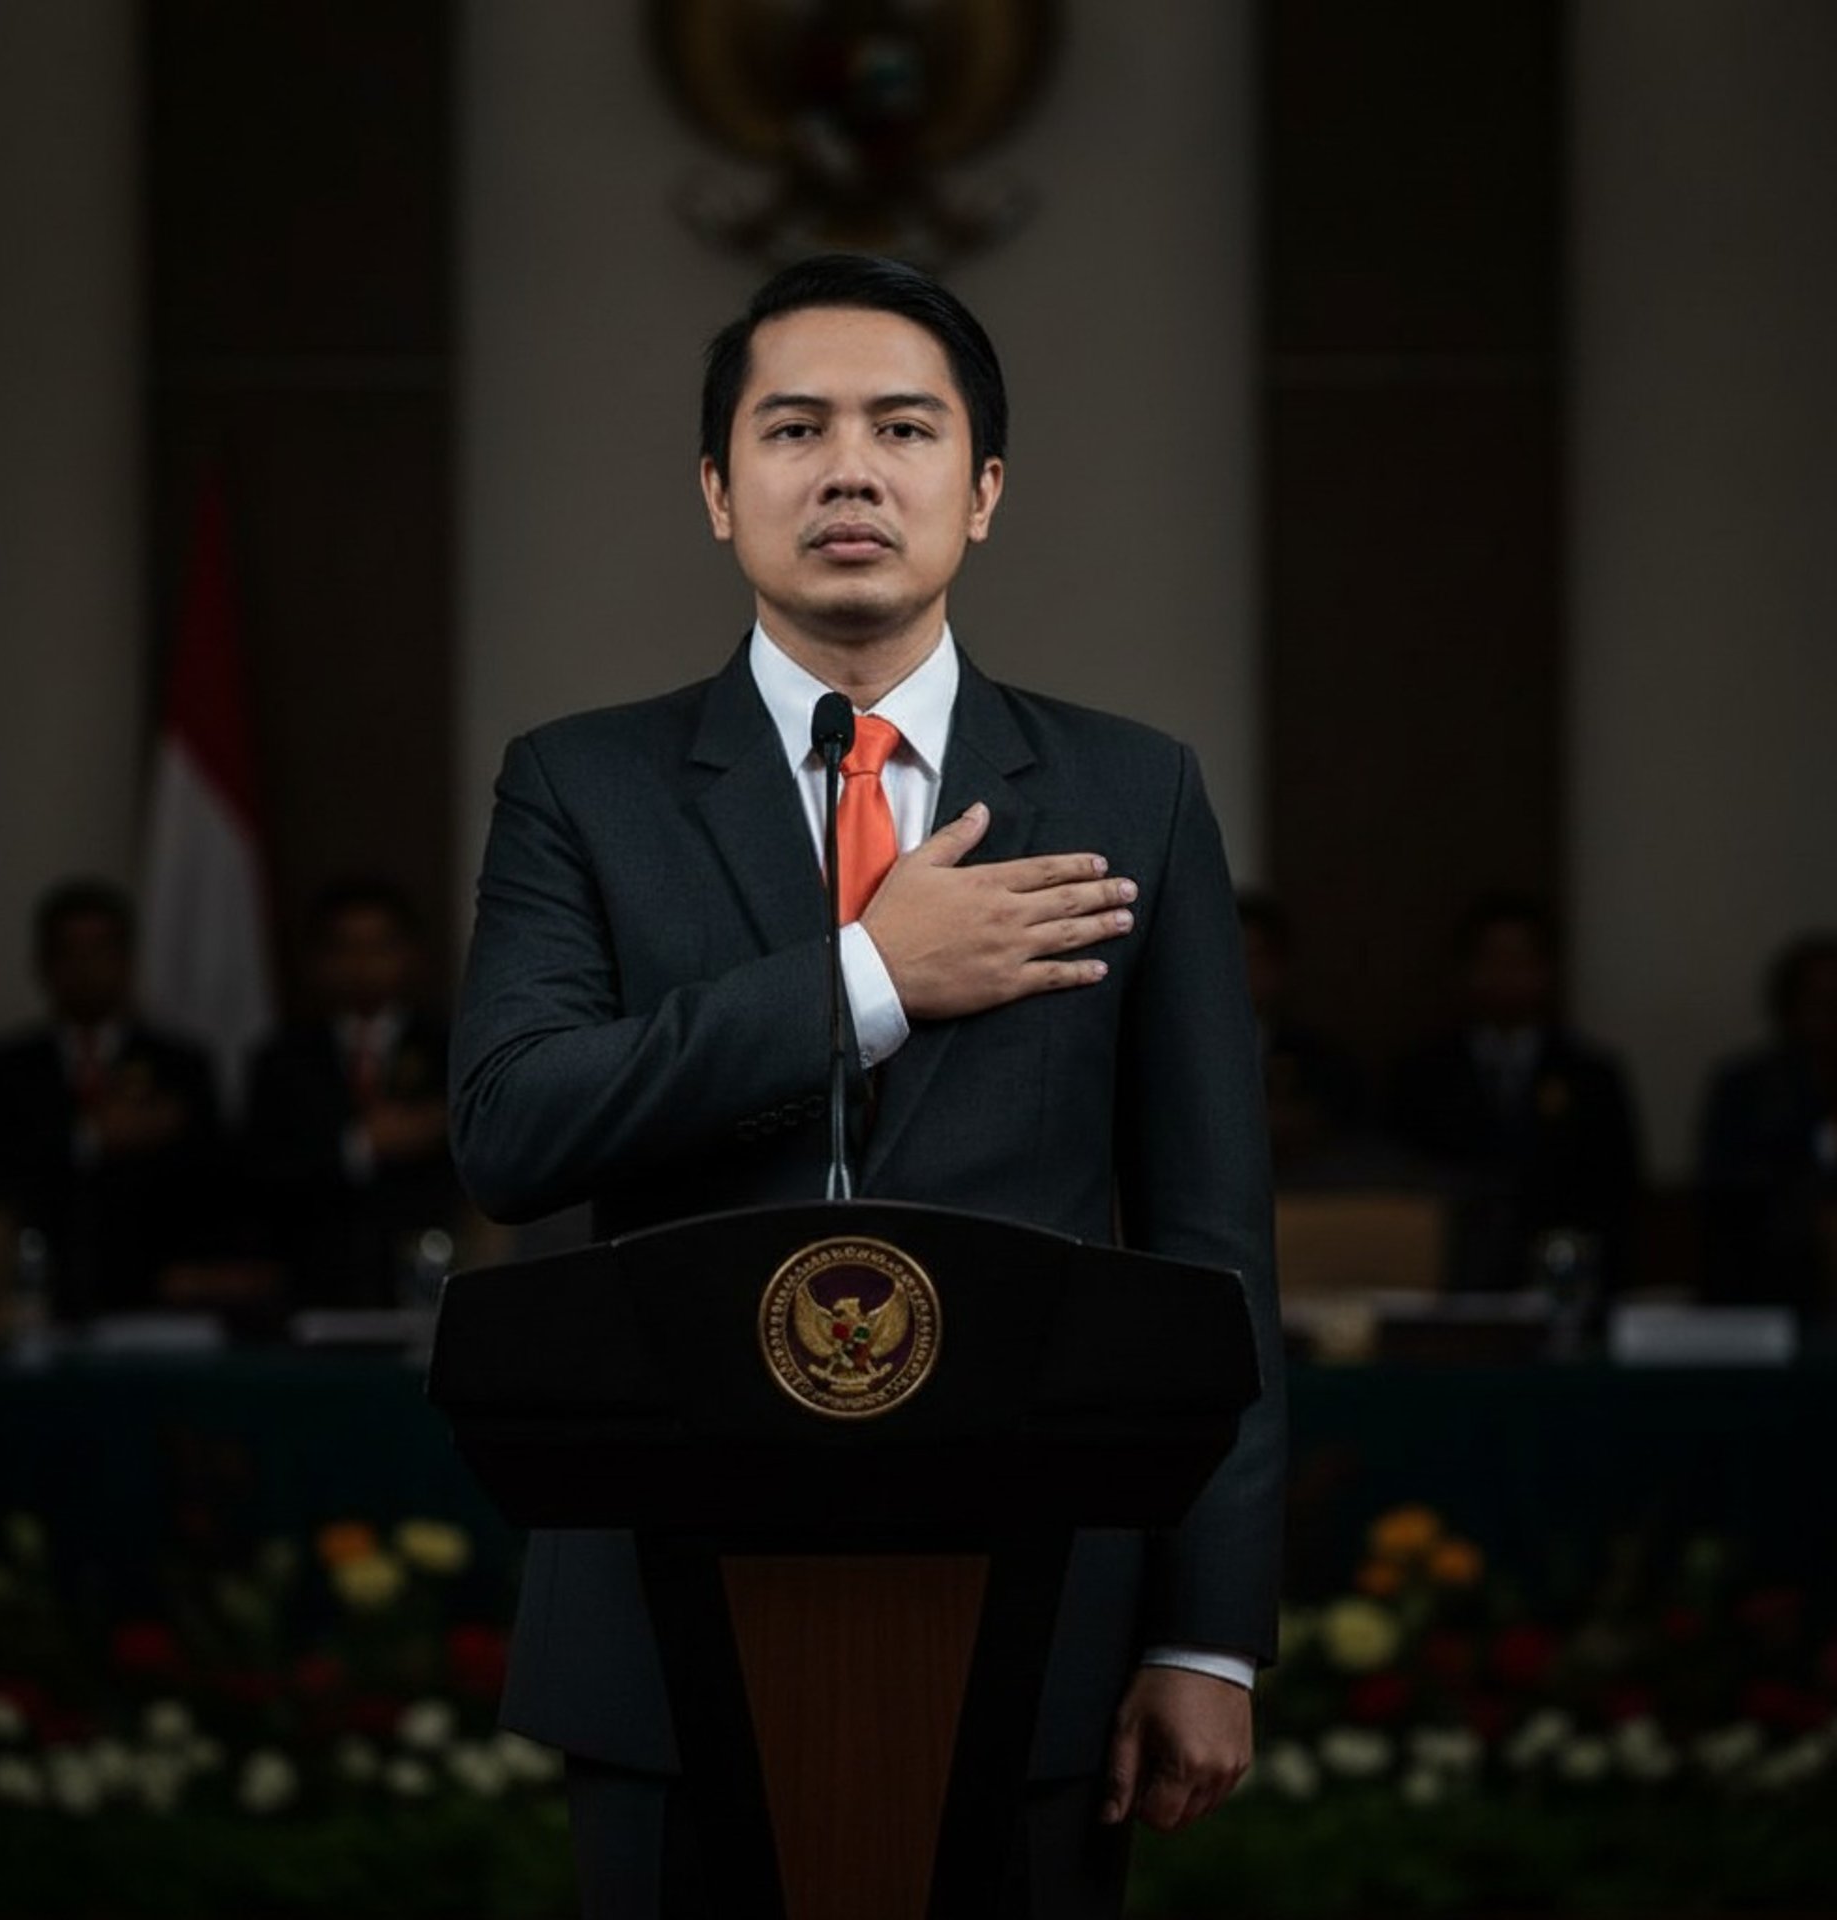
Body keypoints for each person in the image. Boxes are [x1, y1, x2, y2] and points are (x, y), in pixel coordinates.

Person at [451, 254, 1283, 1917]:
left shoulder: (1132, 790)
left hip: (1045, 1604)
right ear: (716, 487)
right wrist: (868, 981)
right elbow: (514, 1127)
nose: (849, 469)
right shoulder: (580, 785)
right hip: (666, 1612)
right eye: (793, 428)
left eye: (904, 427)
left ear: (981, 491)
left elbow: (1210, 1243)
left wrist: (1208, 1628)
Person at [0, 878, 223, 1317]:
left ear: (128, 961)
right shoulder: (3, 1067)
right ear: (42, 963)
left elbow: (214, 1178)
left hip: (157, 1298)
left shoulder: (182, 1066)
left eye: (101, 950)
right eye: (68, 952)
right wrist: (87, 1138)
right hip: (33, 1291)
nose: (85, 966)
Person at [1390, 892, 1641, 1295]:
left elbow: (1615, 1194)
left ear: (1548, 970)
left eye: (1520, 960)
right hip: (1451, 1280)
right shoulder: (1421, 1074)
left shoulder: (1591, 1076)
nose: (1504, 973)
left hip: (1562, 1279)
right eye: (1490, 959)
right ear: (1465, 970)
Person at [244, 879, 459, 1308]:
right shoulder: (281, 1059)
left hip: (432, 1281)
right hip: (313, 1290)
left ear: (410, 954)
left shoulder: (452, 1050)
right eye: (345, 948)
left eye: (380, 946)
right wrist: (361, 1144)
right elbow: (263, 1171)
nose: (363, 963)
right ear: (318, 961)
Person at [1696, 931, 1837, 1314]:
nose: (1829, 1010)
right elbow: (1728, 1197)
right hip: (1768, 1292)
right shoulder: (1747, 1087)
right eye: (1817, 997)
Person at [1237, 890, 1368, 1179]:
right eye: (1232, 956)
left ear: (1280, 966)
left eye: (1255, 957)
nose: (1243, 971)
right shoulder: (1171, 1053)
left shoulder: (1321, 1057)